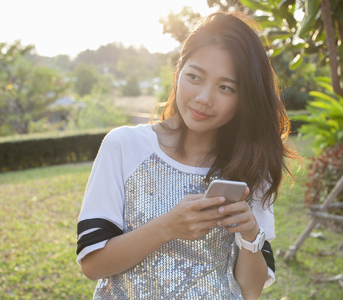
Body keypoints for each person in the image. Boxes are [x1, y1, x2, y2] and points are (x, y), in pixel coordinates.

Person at [76, 11, 299, 300]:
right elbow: (92, 264)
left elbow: (250, 290)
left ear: (244, 97)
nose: (204, 98)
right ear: (178, 71)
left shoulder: (251, 163)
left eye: (226, 87)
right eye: (194, 76)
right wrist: (168, 227)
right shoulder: (124, 145)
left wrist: (249, 234)